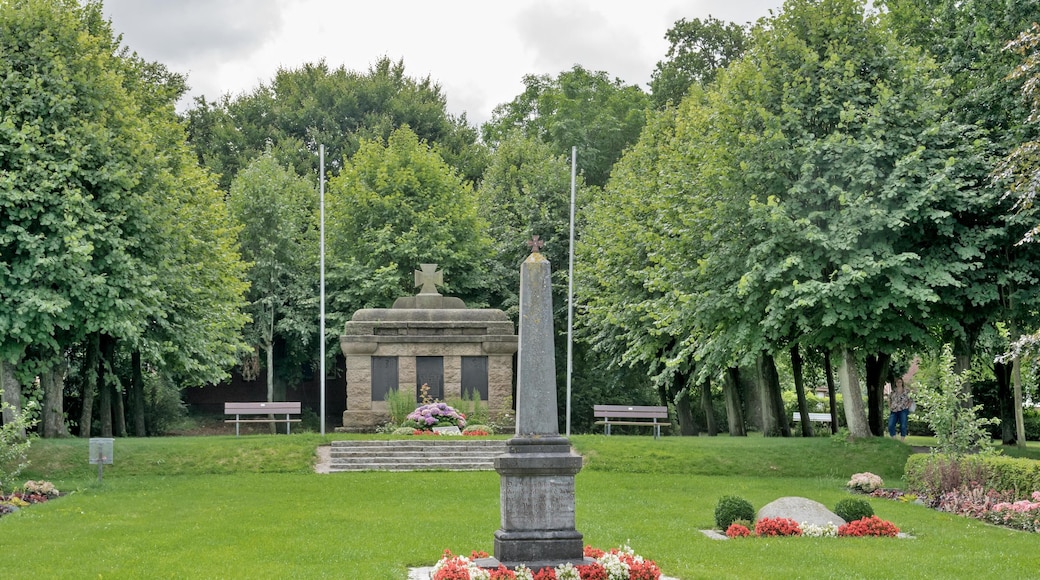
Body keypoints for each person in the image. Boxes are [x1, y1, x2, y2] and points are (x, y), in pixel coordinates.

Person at [887, 377, 912, 442]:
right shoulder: (893, 391)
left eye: (900, 382)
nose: (899, 383)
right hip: (894, 410)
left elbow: (911, 399)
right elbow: (889, 399)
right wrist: (890, 407)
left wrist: (907, 406)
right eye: (897, 382)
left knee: (903, 425)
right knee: (890, 425)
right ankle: (894, 439)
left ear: (902, 383)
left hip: (903, 409)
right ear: (895, 383)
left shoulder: (906, 391)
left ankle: (902, 440)